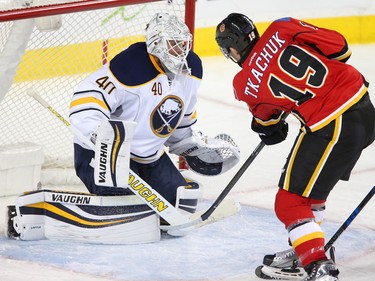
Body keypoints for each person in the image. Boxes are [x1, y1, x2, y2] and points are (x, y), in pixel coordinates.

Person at [215, 13, 375, 281]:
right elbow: (340, 49)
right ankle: (308, 247)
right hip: (364, 107)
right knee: (312, 191)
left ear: (232, 48)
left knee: (289, 202)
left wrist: (271, 124)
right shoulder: (282, 27)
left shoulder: (244, 83)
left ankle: (318, 266)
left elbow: (268, 124)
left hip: (331, 124)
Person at [69, 13, 240, 217]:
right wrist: (99, 134)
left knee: (180, 204)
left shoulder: (192, 69)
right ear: (157, 44)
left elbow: (182, 121)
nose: (181, 51)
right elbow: (87, 98)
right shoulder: (130, 65)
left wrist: (192, 145)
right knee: (124, 207)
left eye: (184, 44)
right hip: (107, 155)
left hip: (150, 157)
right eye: (174, 44)